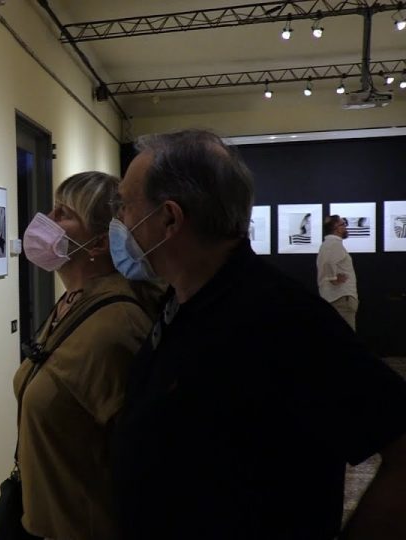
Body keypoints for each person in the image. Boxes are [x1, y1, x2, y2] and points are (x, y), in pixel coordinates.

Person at [108, 129, 406, 540]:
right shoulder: (182, 301)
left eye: (125, 205)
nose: (120, 220)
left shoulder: (282, 319)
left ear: (170, 218)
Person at [13, 172, 162, 540]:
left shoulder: (118, 323)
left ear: (97, 244)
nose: (46, 219)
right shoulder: (72, 302)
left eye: (63, 213)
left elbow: (139, 454)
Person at [318, 214, 358, 330]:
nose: (345, 227)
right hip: (341, 298)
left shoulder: (331, 244)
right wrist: (333, 279)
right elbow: (327, 263)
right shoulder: (333, 244)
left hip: (339, 298)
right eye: (343, 224)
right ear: (336, 227)